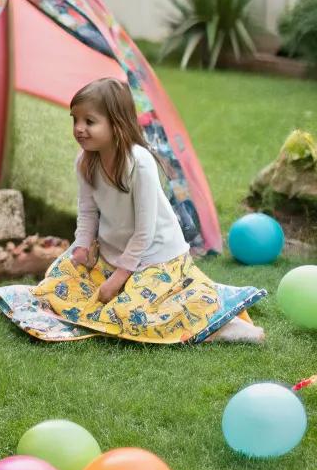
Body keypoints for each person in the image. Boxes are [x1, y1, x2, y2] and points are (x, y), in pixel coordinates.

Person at [33, 78, 264, 345]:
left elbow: (145, 232)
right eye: (75, 120)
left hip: (155, 256)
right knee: (52, 284)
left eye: (89, 122)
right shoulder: (85, 160)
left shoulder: (139, 163)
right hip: (112, 254)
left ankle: (218, 323)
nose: (79, 129)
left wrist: (118, 280)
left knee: (126, 316)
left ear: (116, 123)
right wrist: (82, 247)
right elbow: (87, 212)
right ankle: (144, 295)